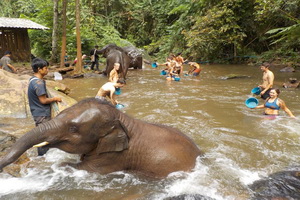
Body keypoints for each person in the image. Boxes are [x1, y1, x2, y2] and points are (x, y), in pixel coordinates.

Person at [28, 58, 62, 156]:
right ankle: (42, 158)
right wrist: (55, 98)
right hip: (42, 114)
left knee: (42, 136)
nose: (47, 70)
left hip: (37, 112)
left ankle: (42, 157)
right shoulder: (38, 83)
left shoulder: (32, 79)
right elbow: (43, 100)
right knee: (44, 137)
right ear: (39, 69)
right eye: (46, 68)